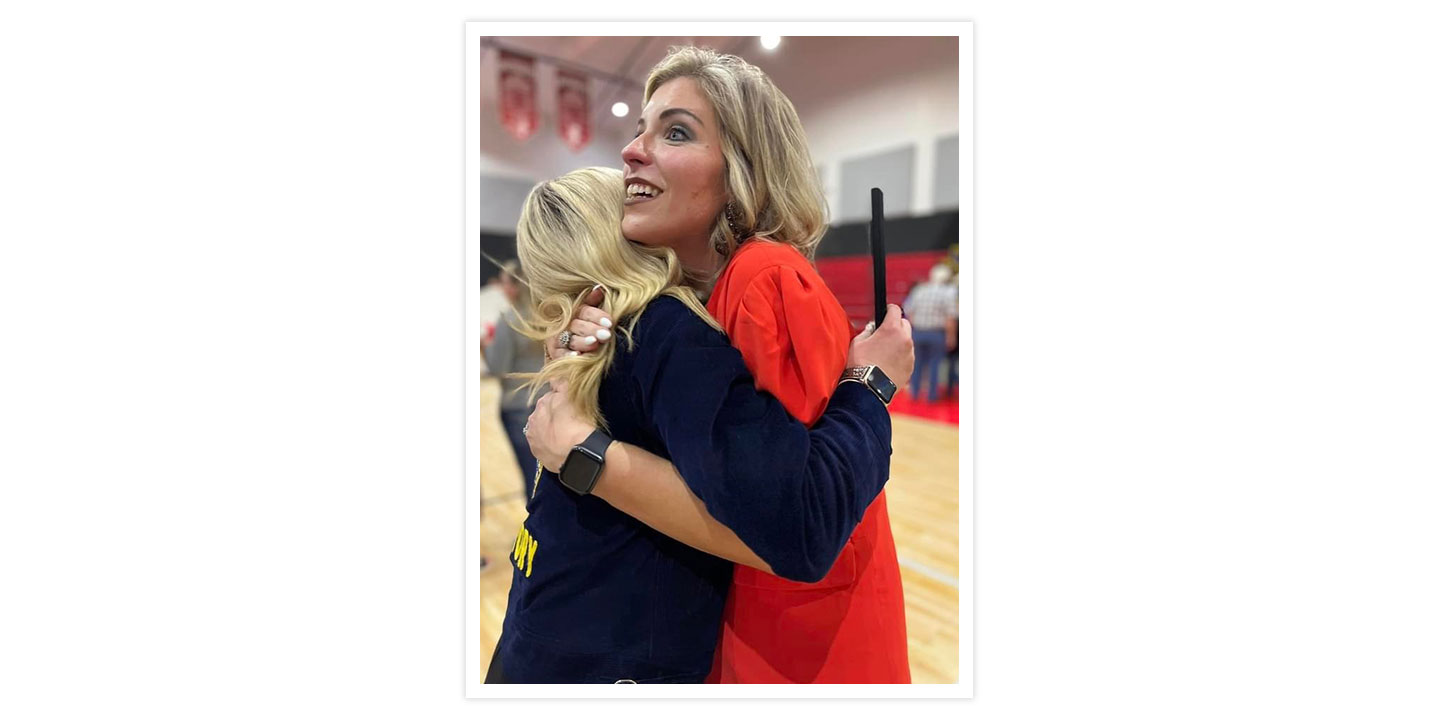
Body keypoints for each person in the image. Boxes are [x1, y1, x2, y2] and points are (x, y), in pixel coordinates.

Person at [530, 46, 912, 683]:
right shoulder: (697, 296)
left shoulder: (760, 277)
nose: (631, 150)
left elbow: (798, 521)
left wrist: (583, 450)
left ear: (743, 169)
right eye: (639, 129)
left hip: (795, 651)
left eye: (675, 131)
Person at [480, 260, 546, 496]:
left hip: (518, 407)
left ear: (515, 287)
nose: (501, 288)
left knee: (531, 477)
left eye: (505, 283)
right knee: (550, 474)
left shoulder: (509, 319)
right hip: (548, 402)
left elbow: (499, 368)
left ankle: (535, 529)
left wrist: (485, 348)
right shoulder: (550, 315)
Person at [903, 264, 960, 404]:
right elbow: (950, 317)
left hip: (919, 332)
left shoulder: (919, 290)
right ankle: (932, 395)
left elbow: (910, 312)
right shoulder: (948, 292)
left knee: (917, 364)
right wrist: (951, 336)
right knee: (935, 364)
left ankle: (914, 393)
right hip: (936, 333)